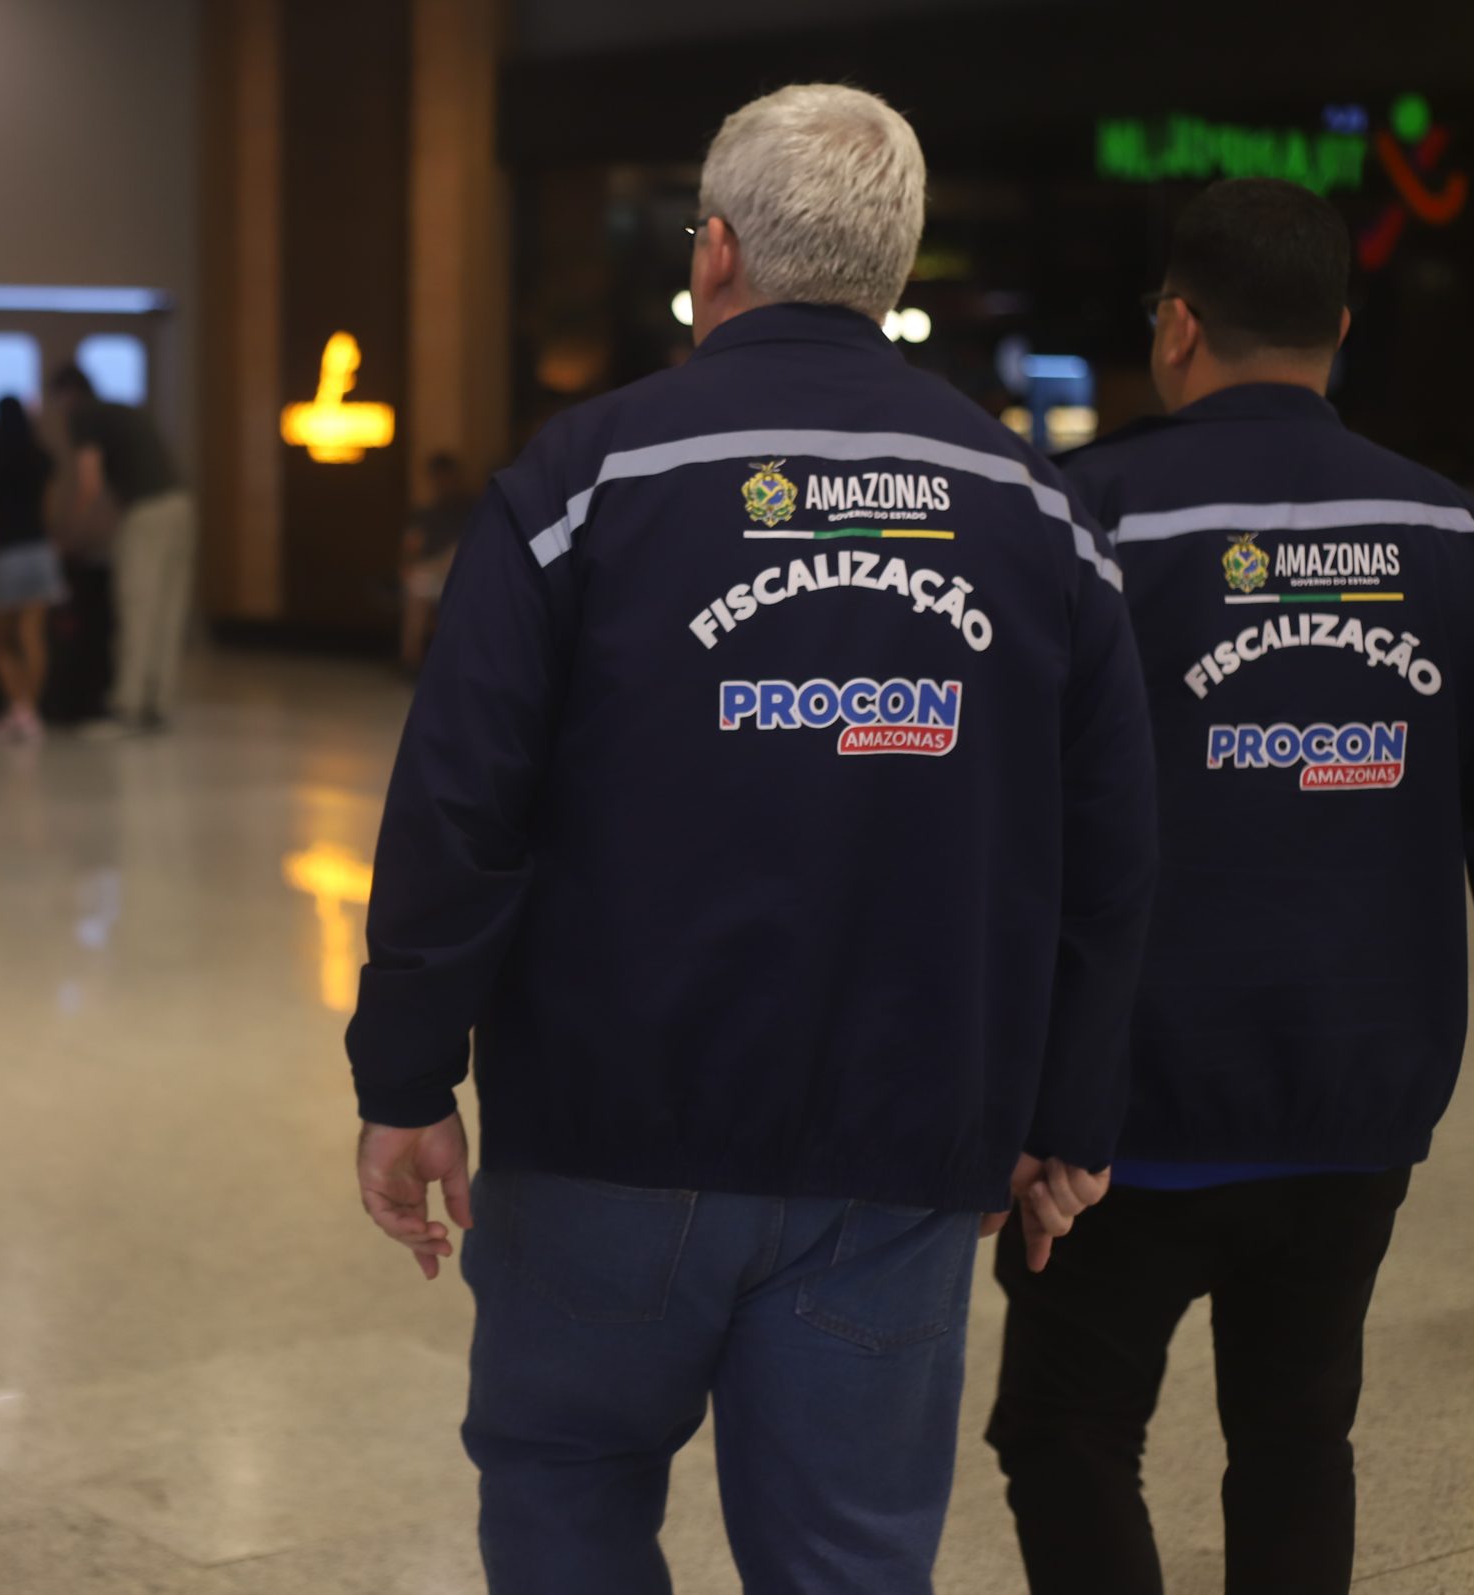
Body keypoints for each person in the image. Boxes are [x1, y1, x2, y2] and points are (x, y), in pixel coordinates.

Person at [344, 83, 1158, 1595]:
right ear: (893, 270)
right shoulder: (1034, 507)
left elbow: (461, 799)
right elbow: (1113, 845)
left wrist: (406, 1074)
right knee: (850, 1559)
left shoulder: (581, 480)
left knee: (568, 1503)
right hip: (902, 1152)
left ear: (714, 254)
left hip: (603, 1139)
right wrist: (1071, 1110)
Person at [988, 178, 1474, 1595]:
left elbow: (1002, 822)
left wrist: (986, 1084)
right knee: (1296, 1432)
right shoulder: (1459, 542)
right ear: (1339, 330)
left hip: (1117, 1114)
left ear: (1178, 325)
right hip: (1355, 1099)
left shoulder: (1083, 522)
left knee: (1066, 1427)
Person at [51, 364, 193, 735]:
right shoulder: (121, 409)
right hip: (180, 506)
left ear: (66, 395)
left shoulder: (84, 415)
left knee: (137, 606)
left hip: (146, 510)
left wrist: (67, 534)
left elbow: (90, 483)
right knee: (167, 609)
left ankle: (128, 706)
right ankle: (156, 703)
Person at [0, 395, 68, 745]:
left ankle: (18, 705)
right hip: (40, 552)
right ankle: (28, 710)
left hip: (6, 553)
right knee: (33, 636)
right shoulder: (42, 459)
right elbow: (49, 510)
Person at [400, 451, 474, 671]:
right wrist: (407, 565)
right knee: (417, 587)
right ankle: (411, 658)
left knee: (455, 554)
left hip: (462, 570)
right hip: (431, 572)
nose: (443, 483)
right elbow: (412, 545)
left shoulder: (471, 508)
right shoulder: (425, 514)